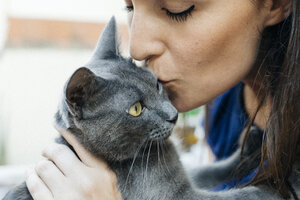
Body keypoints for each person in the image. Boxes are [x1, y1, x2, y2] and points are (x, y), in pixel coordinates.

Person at [24, 0, 300, 199]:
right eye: (130, 7)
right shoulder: (224, 106)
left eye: (177, 9)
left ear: (275, 4)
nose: (137, 47)